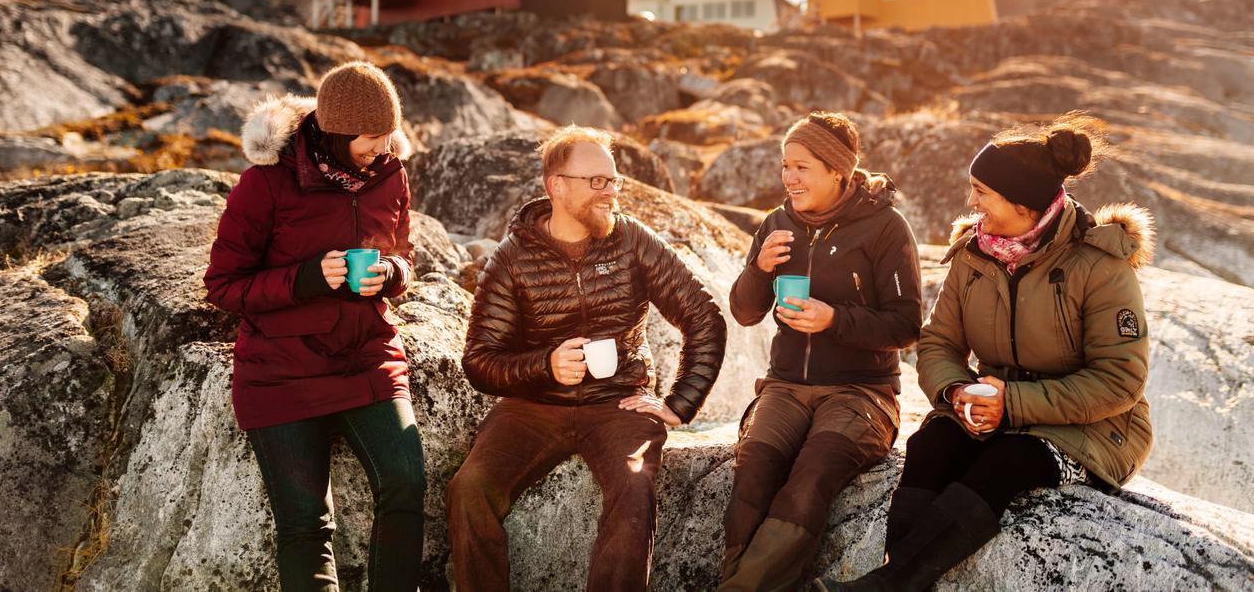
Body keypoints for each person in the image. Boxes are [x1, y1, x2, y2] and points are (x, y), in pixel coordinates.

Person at [821, 113, 1154, 592]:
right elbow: (939, 342)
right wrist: (956, 390)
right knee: (930, 446)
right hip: (991, 409)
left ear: (1021, 203)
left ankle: (889, 585)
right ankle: (898, 579)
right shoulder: (975, 254)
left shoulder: (1100, 264)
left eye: (981, 191)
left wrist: (1012, 403)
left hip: (1092, 426)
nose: (971, 202)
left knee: (1006, 465)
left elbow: (1120, 380)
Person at [446, 125, 728, 592]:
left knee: (635, 486)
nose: (610, 192)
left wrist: (679, 404)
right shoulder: (511, 258)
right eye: (596, 181)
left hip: (620, 403)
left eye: (613, 181)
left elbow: (705, 318)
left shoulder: (632, 240)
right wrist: (544, 366)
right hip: (531, 407)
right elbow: (479, 360)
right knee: (469, 488)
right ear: (557, 186)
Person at [204, 61, 425, 592]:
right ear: (338, 131)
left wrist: (390, 275)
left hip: (367, 359)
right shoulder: (267, 183)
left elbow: (405, 256)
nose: (383, 147)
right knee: (305, 524)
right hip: (281, 374)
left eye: (389, 135)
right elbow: (223, 287)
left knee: (406, 483)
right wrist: (305, 278)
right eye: (371, 138)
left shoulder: (390, 174)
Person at [719, 112, 923, 591]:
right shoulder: (776, 223)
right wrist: (760, 269)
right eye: (785, 166)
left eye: (802, 167)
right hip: (786, 386)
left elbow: (907, 325)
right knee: (752, 470)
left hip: (861, 392)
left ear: (837, 170)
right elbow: (745, 312)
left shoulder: (885, 228)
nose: (789, 178)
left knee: (810, 476)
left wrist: (835, 319)